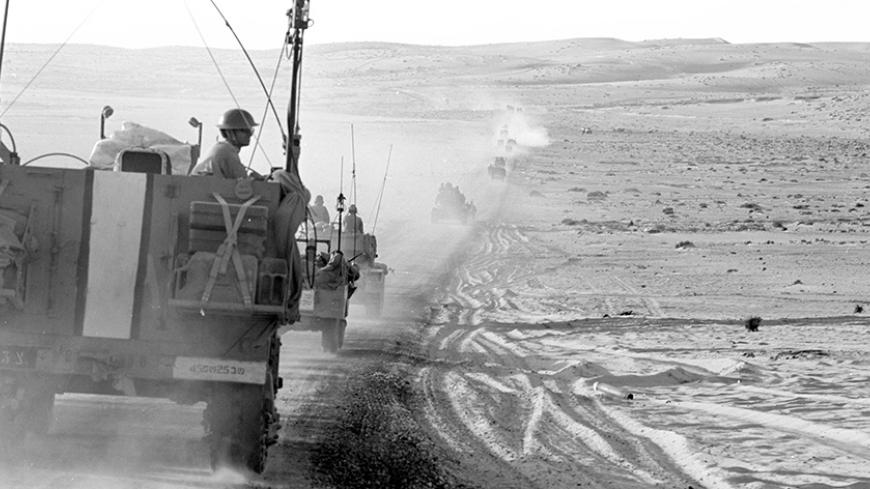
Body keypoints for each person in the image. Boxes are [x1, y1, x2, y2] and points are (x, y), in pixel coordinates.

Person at [191, 108, 259, 178]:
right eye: (244, 130)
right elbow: (243, 180)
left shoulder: (221, 148)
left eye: (251, 131)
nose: (249, 134)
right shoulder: (227, 152)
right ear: (229, 132)